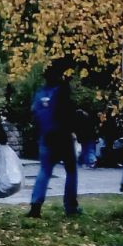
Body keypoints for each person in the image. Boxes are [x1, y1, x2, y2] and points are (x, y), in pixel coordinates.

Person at [28, 61, 79, 218]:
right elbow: (69, 113)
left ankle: (35, 206)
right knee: (71, 170)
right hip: (62, 136)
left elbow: (34, 113)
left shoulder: (40, 93)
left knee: (44, 170)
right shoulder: (62, 90)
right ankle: (70, 206)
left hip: (46, 136)